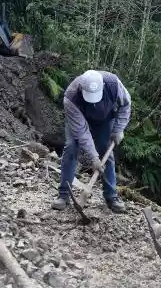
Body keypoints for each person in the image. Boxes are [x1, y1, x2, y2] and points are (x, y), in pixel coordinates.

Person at [51, 69, 131, 214]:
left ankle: (111, 196)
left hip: (106, 118)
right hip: (79, 120)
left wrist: (118, 129)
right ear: (81, 89)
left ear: (102, 87)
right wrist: (94, 158)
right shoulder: (71, 97)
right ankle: (63, 195)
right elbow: (82, 132)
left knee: (107, 151)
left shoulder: (114, 84)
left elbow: (126, 105)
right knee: (70, 148)